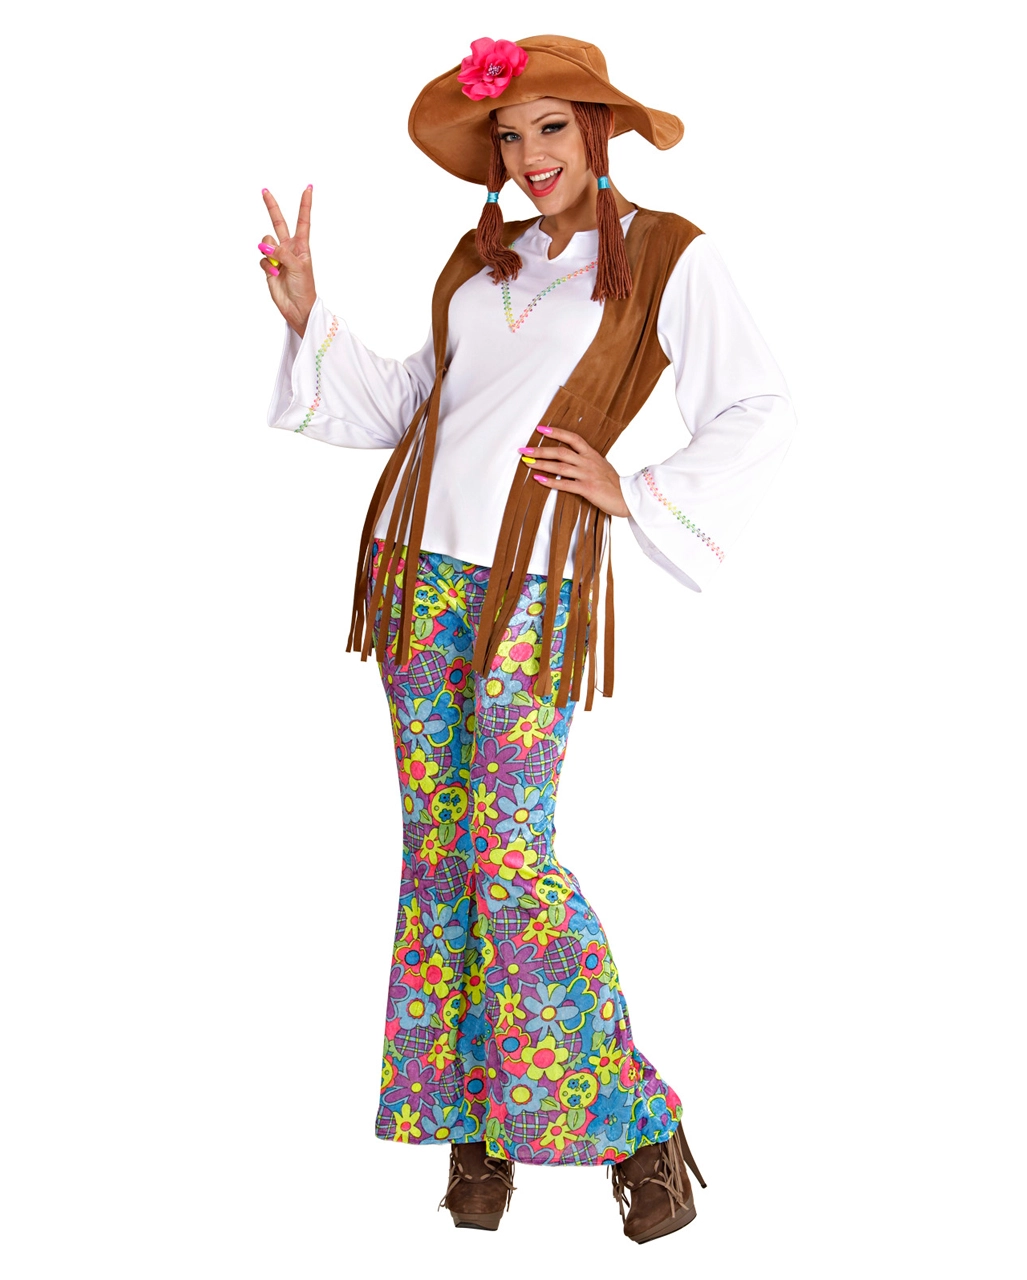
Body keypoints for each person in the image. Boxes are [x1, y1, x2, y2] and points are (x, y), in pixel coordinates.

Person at [257, 34, 797, 1245]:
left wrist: (633, 488)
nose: (529, 154)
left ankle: (637, 1120)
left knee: (509, 854)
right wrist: (309, 316)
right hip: (414, 575)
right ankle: (478, 1122)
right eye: (510, 135)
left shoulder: (666, 253)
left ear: (597, 130)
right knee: (442, 854)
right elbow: (421, 403)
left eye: (552, 127)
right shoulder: (480, 257)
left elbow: (761, 404)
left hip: (530, 586)